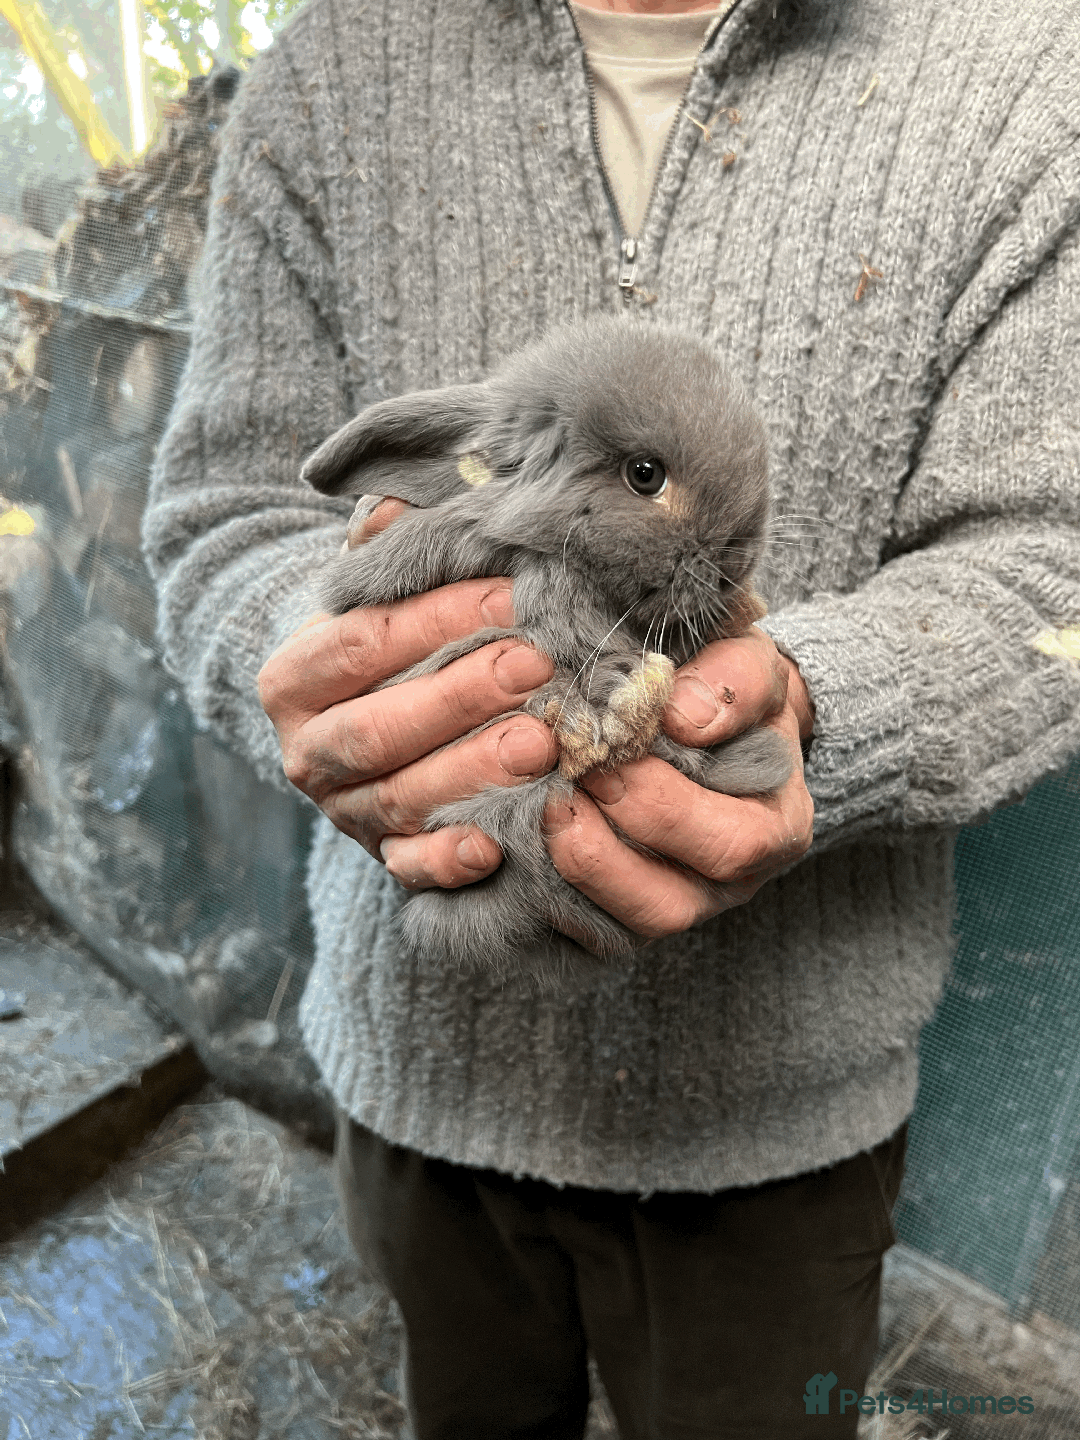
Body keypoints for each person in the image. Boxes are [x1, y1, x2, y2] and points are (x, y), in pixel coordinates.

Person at [144, 0, 1080, 1433]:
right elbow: (225, 510)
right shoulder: (332, 61)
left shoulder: (1027, 67)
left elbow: (1049, 561)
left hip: (784, 1129)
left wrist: (825, 704)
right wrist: (356, 667)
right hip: (423, 1070)